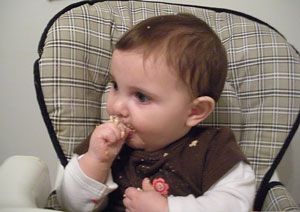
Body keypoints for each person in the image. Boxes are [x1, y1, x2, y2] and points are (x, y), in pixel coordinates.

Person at [57, 13, 255, 212]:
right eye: (115, 85)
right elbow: (69, 205)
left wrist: (168, 209)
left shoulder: (214, 150)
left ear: (195, 111)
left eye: (141, 97)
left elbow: (236, 205)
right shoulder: (104, 145)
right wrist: (96, 162)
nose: (116, 107)